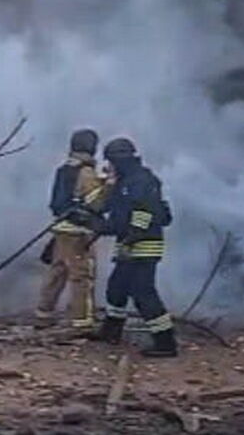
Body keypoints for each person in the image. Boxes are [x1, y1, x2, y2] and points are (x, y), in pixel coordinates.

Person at [89, 137, 177, 357]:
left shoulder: (142, 180)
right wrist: (95, 220)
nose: (109, 166)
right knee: (117, 288)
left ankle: (166, 342)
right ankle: (111, 331)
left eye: (111, 161)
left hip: (144, 245)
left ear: (120, 159)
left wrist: (132, 235)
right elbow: (113, 211)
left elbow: (144, 210)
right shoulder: (124, 181)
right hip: (128, 244)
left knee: (143, 293)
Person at [35, 128, 109, 330]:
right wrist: (109, 185)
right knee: (82, 276)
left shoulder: (65, 168)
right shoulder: (86, 172)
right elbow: (96, 203)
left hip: (61, 229)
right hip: (78, 233)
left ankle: (43, 313)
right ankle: (82, 321)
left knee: (57, 271)